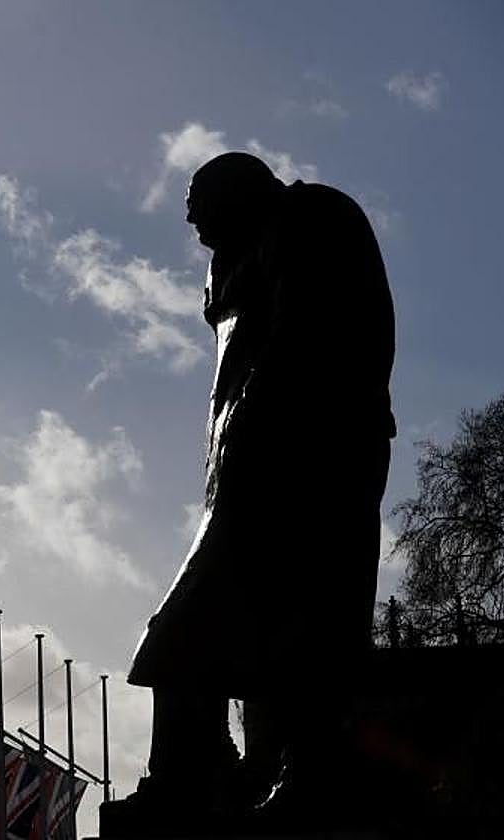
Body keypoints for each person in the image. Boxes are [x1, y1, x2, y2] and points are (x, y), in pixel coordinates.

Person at [105, 152, 395, 831]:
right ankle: (215, 770)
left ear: (240, 192)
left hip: (307, 459)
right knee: (230, 630)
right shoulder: (245, 252)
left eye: (200, 208)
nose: (192, 224)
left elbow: (310, 341)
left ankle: (281, 772)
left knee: (290, 622)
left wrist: (267, 428)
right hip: (247, 469)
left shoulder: (313, 217)